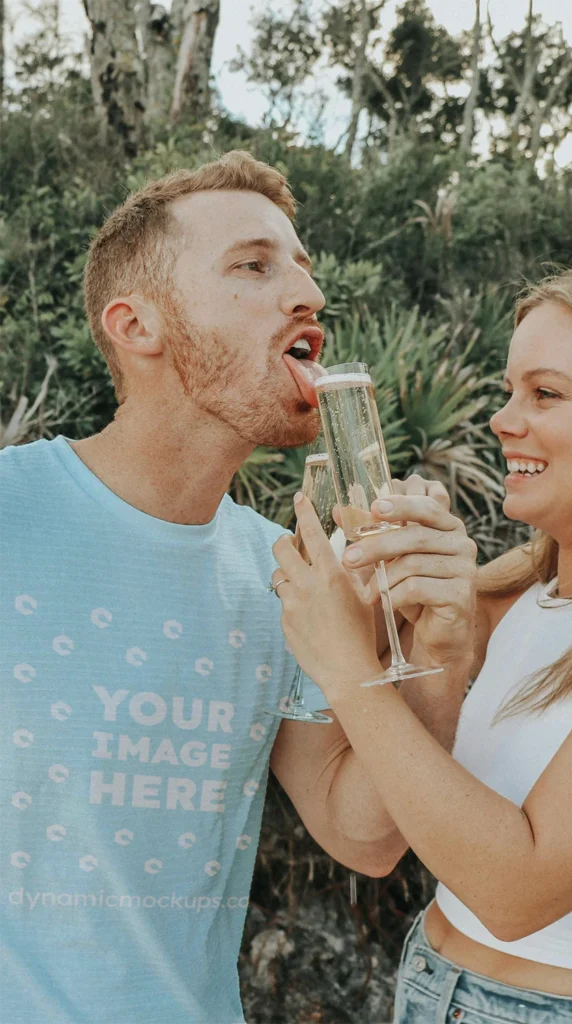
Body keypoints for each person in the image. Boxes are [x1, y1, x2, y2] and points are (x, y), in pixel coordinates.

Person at [0, 151, 476, 1024]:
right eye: (254, 266)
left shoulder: (284, 576)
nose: (307, 295)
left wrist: (441, 650)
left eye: (302, 266)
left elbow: (362, 836)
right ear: (135, 325)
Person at [272, 265, 572, 1024]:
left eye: (544, 393)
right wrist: (424, 639)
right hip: (426, 978)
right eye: (509, 390)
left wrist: (349, 668)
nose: (502, 420)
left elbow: (516, 892)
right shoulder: (516, 588)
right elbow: (362, 831)